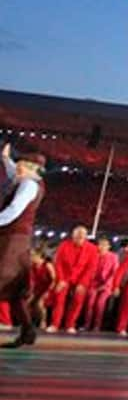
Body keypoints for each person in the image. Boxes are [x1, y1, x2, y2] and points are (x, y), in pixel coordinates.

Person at [0, 144, 46, 348]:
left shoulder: (28, 185)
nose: (17, 169)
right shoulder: (31, 181)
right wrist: (6, 159)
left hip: (13, 240)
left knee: (4, 279)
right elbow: (13, 173)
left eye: (22, 166)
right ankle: (28, 332)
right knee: (17, 291)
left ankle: (28, 331)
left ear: (31, 169)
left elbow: (14, 210)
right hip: (19, 240)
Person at [48, 225, 99, 333]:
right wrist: (61, 279)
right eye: (77, 235)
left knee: (77, 301)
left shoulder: (92, 249)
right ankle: (54, 324)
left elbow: (91, 268)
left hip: (81, 278)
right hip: (65, 277)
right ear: (73, 235)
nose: (80, 237)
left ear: (86, 236)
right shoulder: (64, 246)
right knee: (59, 300)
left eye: (82, 235)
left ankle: (70, 325)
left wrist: (83, 283)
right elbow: (58, 263)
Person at [83, 237, 118, 332]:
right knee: (90, 303)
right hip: (93, 283)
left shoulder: (113, 256)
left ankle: (97, 325)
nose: (102, 247)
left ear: (109, 246)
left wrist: (107, 284)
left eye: (104, 245)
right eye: (100, 244)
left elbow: (114, 272)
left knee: (100, 304)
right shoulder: (94, 255)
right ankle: (87, 324)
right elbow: (89, 270)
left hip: (106, 284)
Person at [29, 247, 56, 330]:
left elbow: (54, 280)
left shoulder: (47, 265)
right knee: (28, 301)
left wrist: (48, 291)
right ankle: (30, 322)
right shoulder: (33, 266)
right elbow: (32, 280)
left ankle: (43, 322)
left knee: (40, 303)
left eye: (32, 255)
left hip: (48, 289)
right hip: (37, 289)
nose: (31, 257)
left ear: (39, 255)